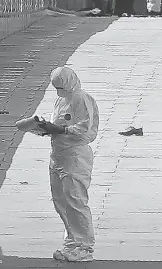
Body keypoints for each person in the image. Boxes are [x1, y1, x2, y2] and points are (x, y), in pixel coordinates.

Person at [37, 66, 99, 262]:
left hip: (75, 156)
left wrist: (62, 130)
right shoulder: (61, 100)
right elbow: (61, 122)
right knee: (61, 201)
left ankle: (84, 246)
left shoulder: (81, 98)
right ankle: (72, 241)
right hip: (59, 155)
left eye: (61, 87)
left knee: (76, 201)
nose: (59, 91)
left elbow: (85, 127)